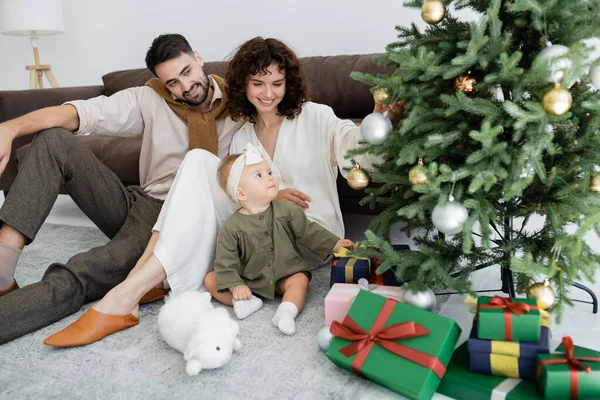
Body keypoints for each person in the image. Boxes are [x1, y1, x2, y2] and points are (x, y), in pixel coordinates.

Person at [42, 36, 402, 347]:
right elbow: (234, 194)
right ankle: (138, 285)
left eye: (277, 83)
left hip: (306, 239)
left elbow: (361, 158)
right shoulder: (242, 134)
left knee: (206, 172)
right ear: (243, 85)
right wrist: (271, 196)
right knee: (199, 160)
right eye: (258, 84)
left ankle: (129, 292)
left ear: (288, 83)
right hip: (255, 240)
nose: (268, 93)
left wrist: (376, 126)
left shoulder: (317, 117)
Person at [0, 33, 244, 345]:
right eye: (171, 82)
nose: (184, 88)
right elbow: (81, 113)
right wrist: (8, 128)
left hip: (179, 220)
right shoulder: (152, 97)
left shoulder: (241, 102)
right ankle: (2, 272)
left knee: (87, 268)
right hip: (141, 203)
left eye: (186, 73)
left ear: (198, 58)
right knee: (53, 140)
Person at [204, 144, 354, 335]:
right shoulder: (231, 227)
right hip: (249, 280)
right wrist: (236, 286)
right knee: (211, 280)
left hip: (285, 274)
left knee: (300, 280)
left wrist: (333, 244)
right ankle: (244, 301)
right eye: (259, 175)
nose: (269, 177)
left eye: (268, 172)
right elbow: (226, 261)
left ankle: (287, 311)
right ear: (241, 193)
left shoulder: (286, 211)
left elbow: (308, 231)